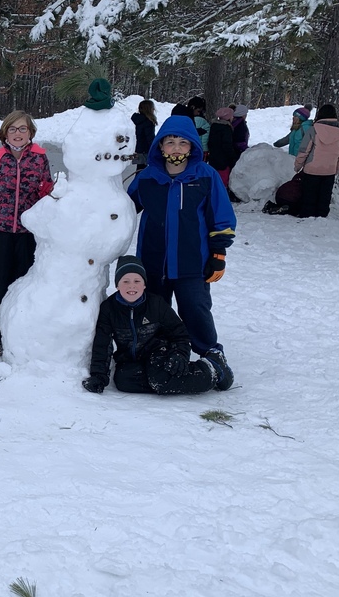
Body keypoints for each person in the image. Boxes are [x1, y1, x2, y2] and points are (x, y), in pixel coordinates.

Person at [127, 115, 236, 384]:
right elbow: (123, 210)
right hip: (153, 261)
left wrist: (218, 255)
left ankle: (210, 353)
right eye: (170, 142)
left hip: (192, 262)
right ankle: (159, 351)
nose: (176, 148)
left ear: (193, 147)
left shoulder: (206, 176)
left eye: (183, 143)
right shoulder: (147, 178)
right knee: (154, 310)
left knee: (195, 308)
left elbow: (221, 217)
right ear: (160, 146)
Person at [0, 110, 54, 357]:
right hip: (0, 233)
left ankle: (19, 334)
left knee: (24, 285)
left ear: (31, 132)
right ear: (5, 133)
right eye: (13, 129)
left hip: (28, 234)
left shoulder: (39, 159)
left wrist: (46, 193)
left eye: (22, 129)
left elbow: (47, 198)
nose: (17, 134)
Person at [82, 256, 230, 394]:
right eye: (125, 281)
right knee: (123, 380)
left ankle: (213, 368)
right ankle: (164, 381)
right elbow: (103, 343)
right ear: (117, 285)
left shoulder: (156, 304)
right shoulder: (109, 309)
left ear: (145, 284)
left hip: (159, 353)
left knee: (160, 376)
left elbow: (180, 333)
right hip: (131, 360)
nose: (131, 286)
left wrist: (180, 354)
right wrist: (99, 376)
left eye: (137, 281)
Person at [293, 104, 339, 219]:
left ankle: (307, 213)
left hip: (312, 168)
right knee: (325, 195)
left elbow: (304, 149)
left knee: (309, 193)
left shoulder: (314, 129)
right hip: (329, 170)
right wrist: (336, 169)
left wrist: (298, 165)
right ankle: (322, 213)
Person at [208, 106, 237, 187]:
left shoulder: (214, 126)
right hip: (223, 160)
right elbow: (227, 145)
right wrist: (232, 157)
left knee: (214, 178)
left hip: (213, 158)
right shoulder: (226, 128)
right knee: (222, 180)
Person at [131, 100, 157, 172]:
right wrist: (155, 148)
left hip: (137, 149)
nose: (154, 109)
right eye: (152, 108)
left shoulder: (135, 119)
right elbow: (150, 137)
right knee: (143, 172)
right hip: (145, 150)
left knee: (139, 170)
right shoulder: (148, 122)